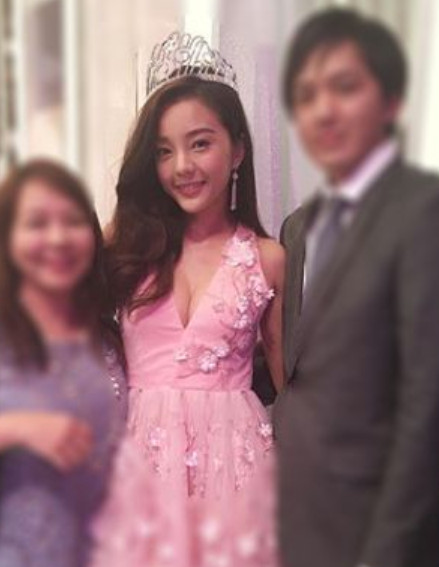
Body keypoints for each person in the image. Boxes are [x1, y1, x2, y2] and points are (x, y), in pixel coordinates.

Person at [91, 31, 284, 567]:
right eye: (163, 151)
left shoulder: (268, 258)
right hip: (138, 464)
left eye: (200, 143)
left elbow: (290, 384)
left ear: (237, 149)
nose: (182, 166)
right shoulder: (124, 245)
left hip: (236, 468)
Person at [275, 8, 439, 567]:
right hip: (303, 522)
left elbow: (426, 403)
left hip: (382, 535)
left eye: (344, 87)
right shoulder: (299, 227)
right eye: (306, 95)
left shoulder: (423, 212)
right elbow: (303, 373)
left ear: (390, 101)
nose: (324, 110)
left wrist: (388, 550)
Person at [0, 159, 126, 567]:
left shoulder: (107, 336)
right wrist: (19, 427)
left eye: (72, 221)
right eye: (37, 223)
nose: (57, 238)